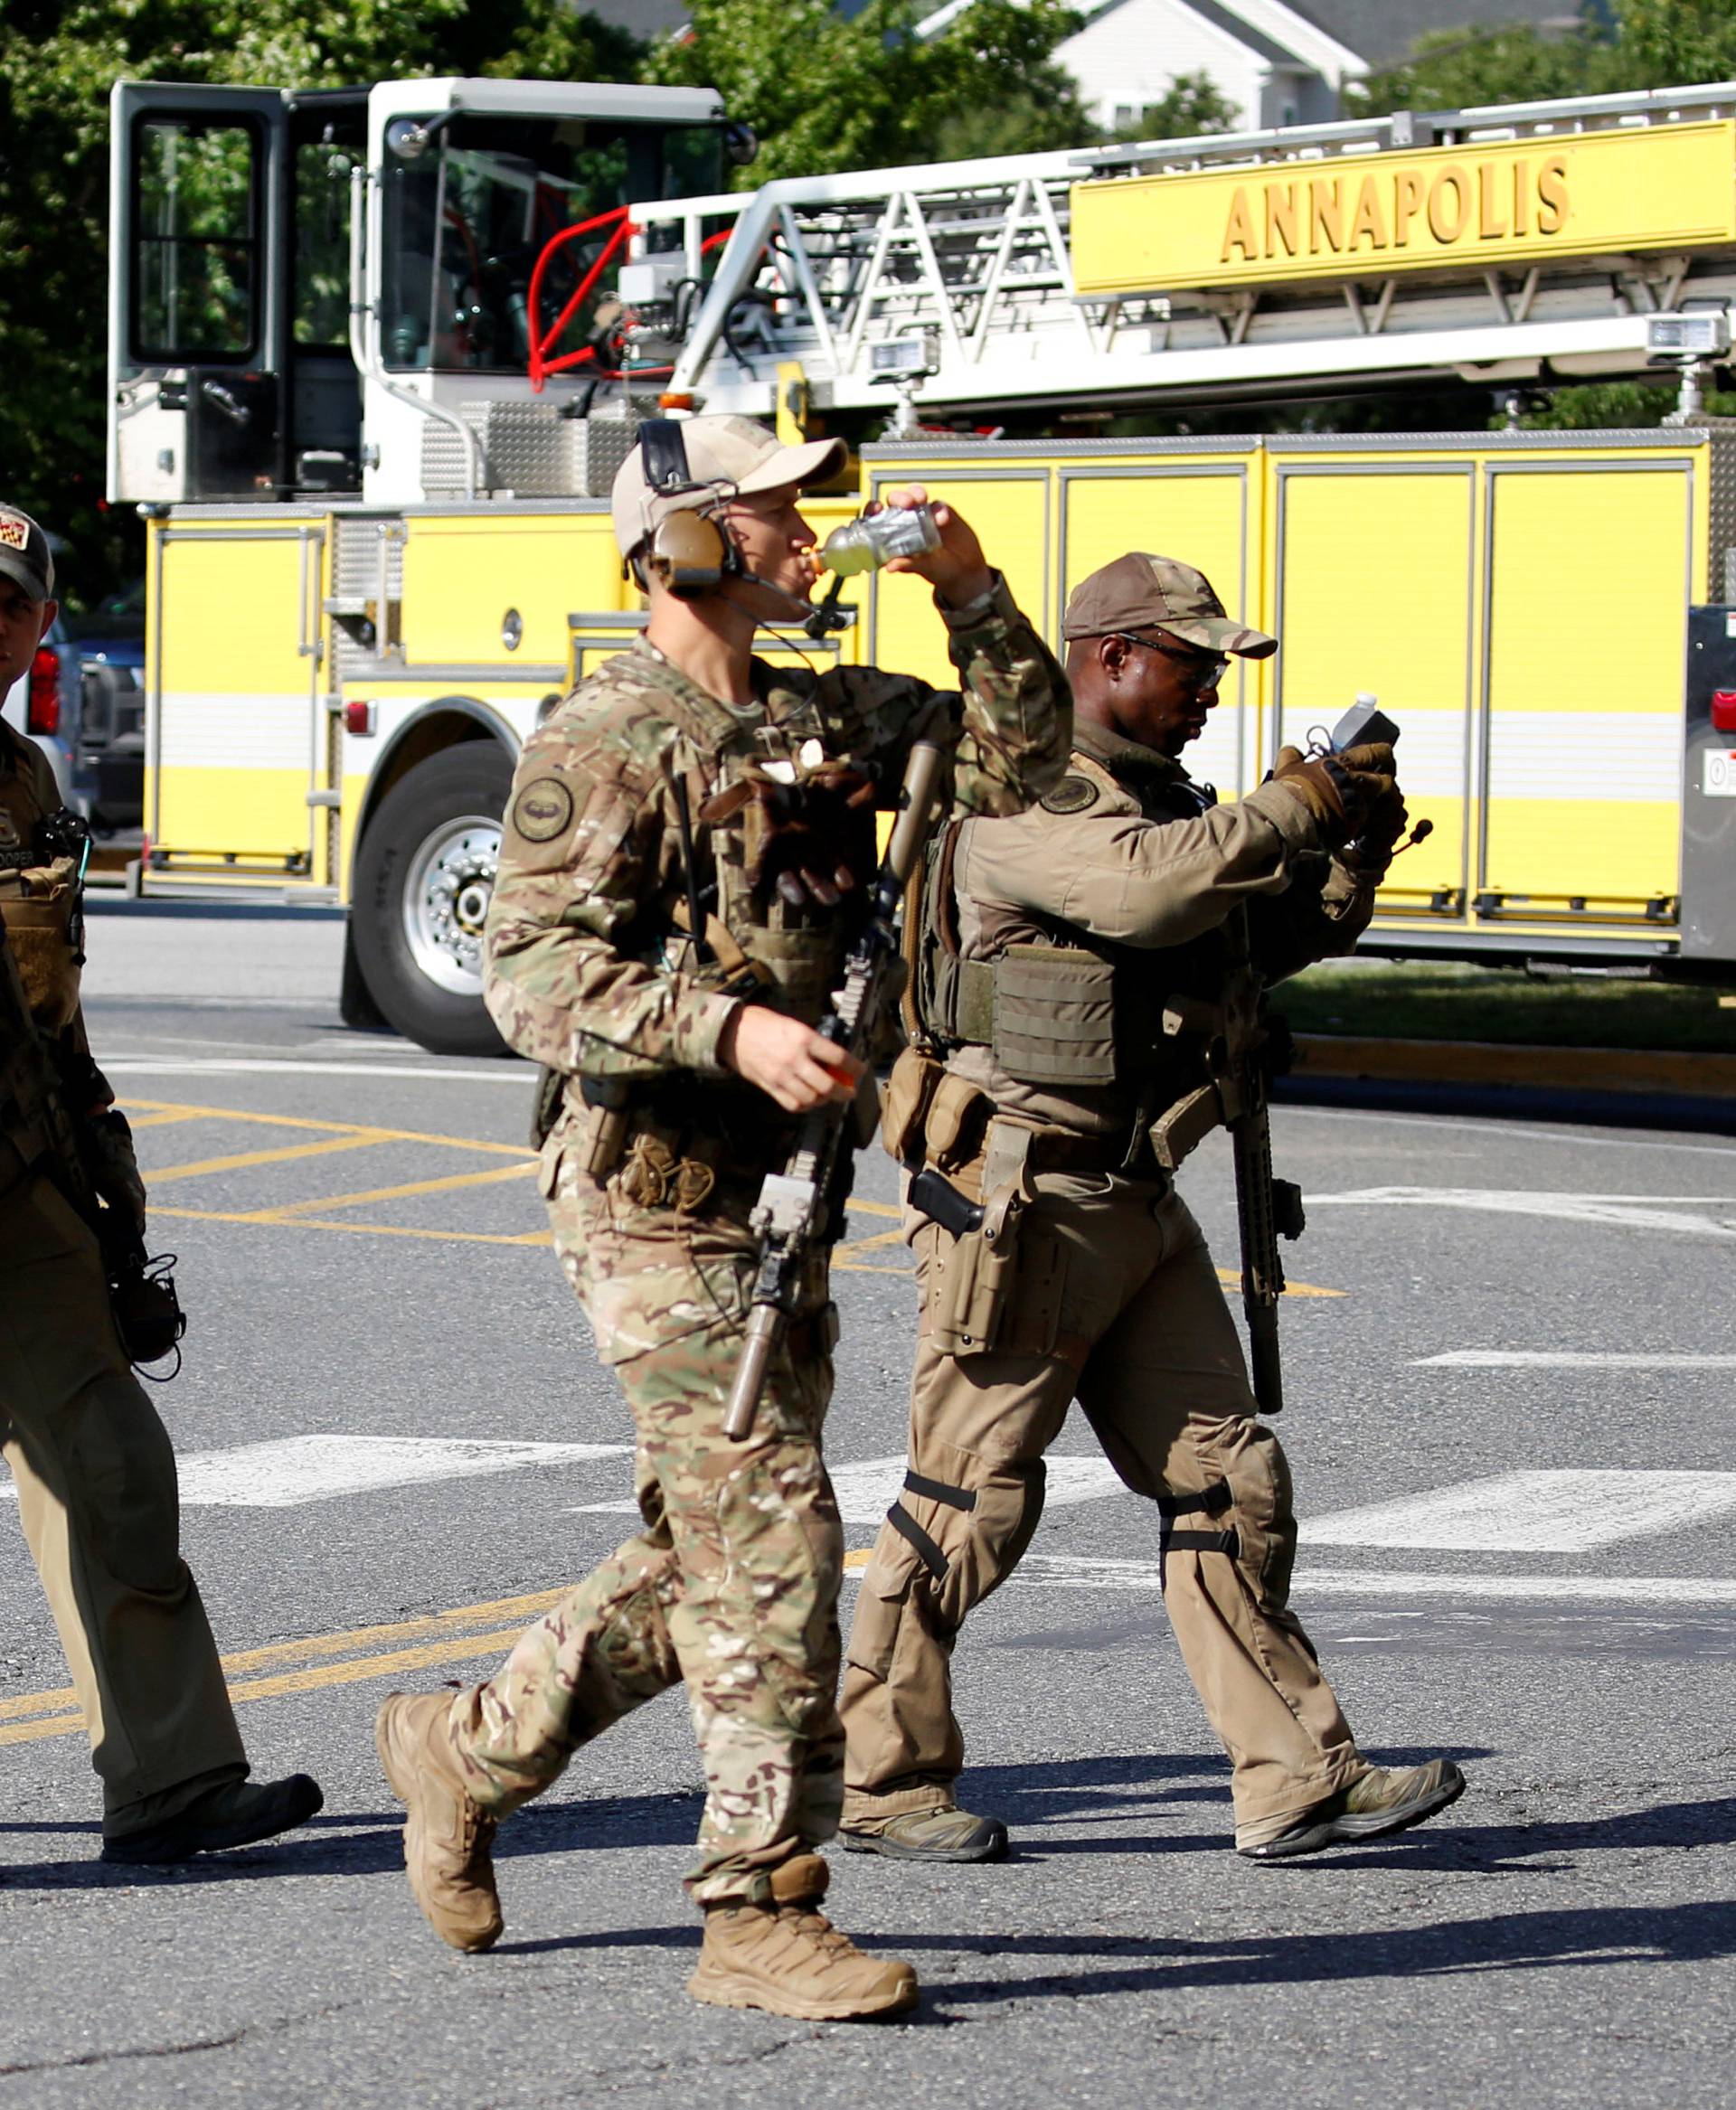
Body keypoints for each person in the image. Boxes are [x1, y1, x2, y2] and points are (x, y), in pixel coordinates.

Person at [375, 415, 1069, 2017]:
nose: (808, 529)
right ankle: (759, 1903)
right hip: (648, 1202)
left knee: (706, 1549)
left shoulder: (828, 716)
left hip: (777, 1205)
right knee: (777, 1536)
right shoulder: (608, 737)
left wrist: (968, 589)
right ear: (685, 544)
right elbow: (530, 973)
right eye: (772, 510)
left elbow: (1028, 764)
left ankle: (465, 1754)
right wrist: (729, 1028)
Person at [836, 551, 1466, 1867]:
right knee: (969, 1503)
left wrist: (1346, 845)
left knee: (1228, 1479)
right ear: (1113, 654)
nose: (1206, 695)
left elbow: (1242, 934)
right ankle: (884, 1779)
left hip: (1134, 1187)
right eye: (1191, 666)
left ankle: (1295, 1773)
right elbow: (1149, 888)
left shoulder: (1162, 797)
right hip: (1024, 1198)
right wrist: (1294, 801)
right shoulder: (1026, 784)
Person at [0, 503, 323, 1862]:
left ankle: (172, 1775)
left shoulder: (19, 780)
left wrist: (102, 1173)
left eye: (12, 603)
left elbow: (48, 1011)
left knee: (113, 1463)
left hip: (18, 1181)